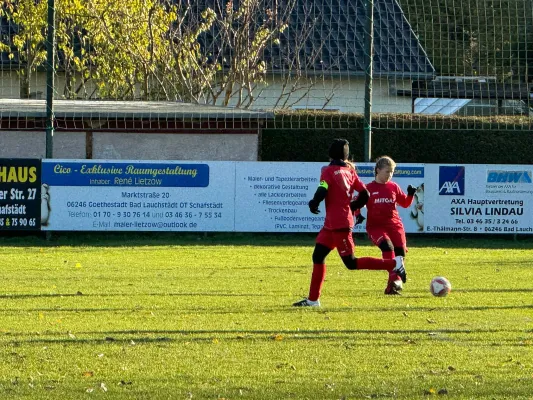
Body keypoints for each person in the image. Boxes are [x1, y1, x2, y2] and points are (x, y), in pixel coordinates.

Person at [293, 139, 406, 307]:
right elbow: (365, 194)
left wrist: (314, 202)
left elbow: (323, 187)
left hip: (339, 225)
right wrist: (351, 207)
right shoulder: (350, 172)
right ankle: (313, 300)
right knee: (318, 256)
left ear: (331, 155)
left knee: (351, 263)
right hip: (332, 224)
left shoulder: (328, 170)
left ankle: (394, 263)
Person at [361, 156, 417, 295]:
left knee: (400, 254)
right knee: (387, 248)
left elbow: (404, 203)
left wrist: (410, 195)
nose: (390, 175)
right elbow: (357, 204)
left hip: (394, 225)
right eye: (387, 171)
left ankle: (391, 287)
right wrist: (357, 215)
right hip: (376, 227)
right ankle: (395, 280)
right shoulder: (368, 188)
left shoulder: (393, 186)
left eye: (392, 172)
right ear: (378, 170)